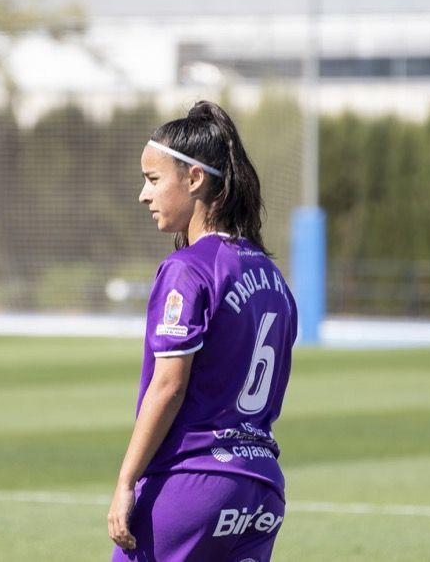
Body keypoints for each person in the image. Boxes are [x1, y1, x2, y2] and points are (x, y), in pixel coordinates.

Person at [107, 101, 298, 562]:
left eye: (153, 179)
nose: (144, 195)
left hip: (192, 484)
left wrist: (126, 481)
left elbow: (169, 387)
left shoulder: (187, 270)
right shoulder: (274, 279)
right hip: (261, 489)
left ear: (194, 179)